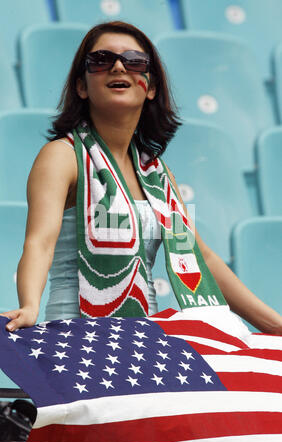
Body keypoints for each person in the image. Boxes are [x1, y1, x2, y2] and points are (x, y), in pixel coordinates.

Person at [1, 21, 282, 335]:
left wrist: (275, 325)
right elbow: (40, 243)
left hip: (141, 348)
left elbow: (202, 258)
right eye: (101, 60)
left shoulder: (159, 174)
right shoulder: (62, 156)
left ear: (150, 87)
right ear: (81, 86)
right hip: (75, 339)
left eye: (135, 61)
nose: (119, 67)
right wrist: (28, 305)